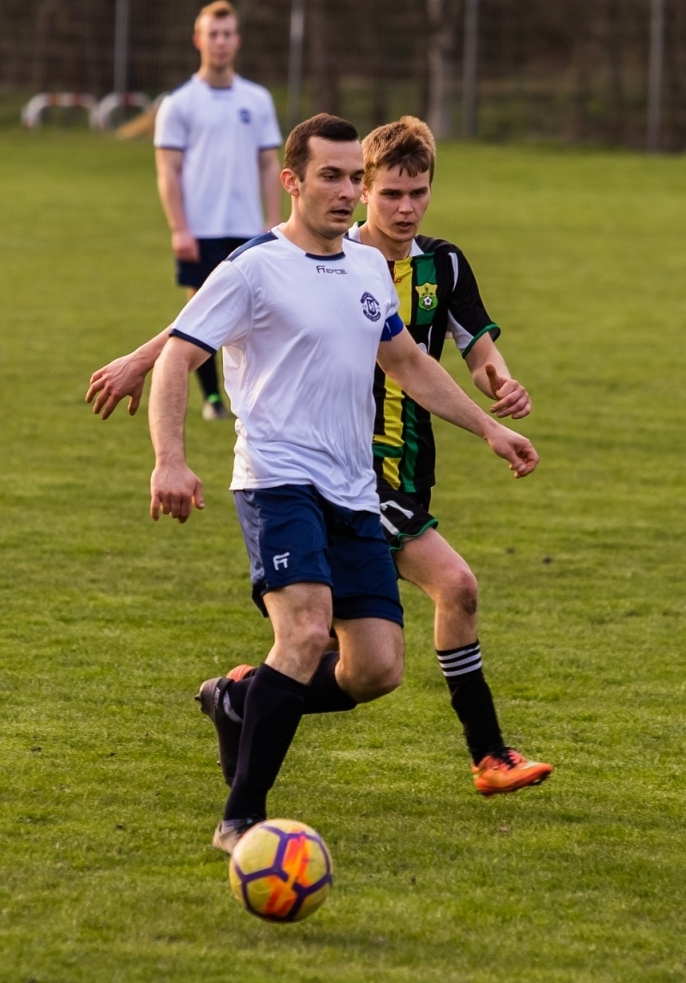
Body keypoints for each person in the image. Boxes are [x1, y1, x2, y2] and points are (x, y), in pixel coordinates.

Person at [144, 114, 540, 853]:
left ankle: (238, 700)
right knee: (301, 630)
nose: (346, 192)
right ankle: (241, 821)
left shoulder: (366, 270)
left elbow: (409, 363)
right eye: (332, 177)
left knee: (377, 670)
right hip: (277, 479)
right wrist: (170, 458)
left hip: (354, 490)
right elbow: (177, 356)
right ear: (291, 181)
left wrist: (489, 427)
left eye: (352, 178)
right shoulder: (253, 266)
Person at [347, 116, 552, 796]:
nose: (406, 209)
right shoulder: (337, 260)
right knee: (453, 587)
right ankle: (489, 754)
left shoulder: (445, 264)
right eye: (392, 195)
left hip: (410, 470)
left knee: (336, 651)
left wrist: (500, 380)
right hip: (347, 470)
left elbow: (476, 345)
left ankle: (239, 696)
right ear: (364, 188)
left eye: (419, 193)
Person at [153, 0, 282, 421]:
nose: (221, 42)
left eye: (228, 34)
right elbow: (168, 172)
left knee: (258, 319)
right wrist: (180, 228)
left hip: (247, 229)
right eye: (213, 34)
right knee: (201, 317)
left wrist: (272, 220)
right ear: (198, 40)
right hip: (201, 229)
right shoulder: (179, 103)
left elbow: (269, 163)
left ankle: (258, 399)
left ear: (237, 41)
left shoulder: (257, 99)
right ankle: (212, 400)